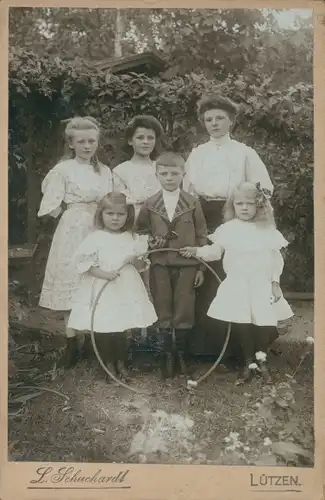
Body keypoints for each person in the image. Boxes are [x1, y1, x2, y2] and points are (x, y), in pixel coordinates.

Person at [182, 94, 274, 360]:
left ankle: (240, 349)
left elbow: (264, 188)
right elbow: (187, 190)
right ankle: (208, 349)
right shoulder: (198, 153)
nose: (214, 124)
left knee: (234, 276)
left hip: (235, 216)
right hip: (203, 214)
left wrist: (245, 209)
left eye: (220, 118)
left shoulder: (245, 153)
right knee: (206, 278)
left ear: (231, 121)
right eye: (209, 119)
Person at [180, 182, 293, 384]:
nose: (244, 208)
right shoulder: (228, 229)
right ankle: (247, 363)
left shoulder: (267, 230)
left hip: (262, 284)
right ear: (233, 206)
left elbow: (277, 259)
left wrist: (275, 282)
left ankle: (262, 361)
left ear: (259, 206)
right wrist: (196, 251)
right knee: (243, 324)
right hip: (238, 283)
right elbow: (215, 252)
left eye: (249, 204)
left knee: (263, 324)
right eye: (239, 203)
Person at [37, 116, 125, 366]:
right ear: (71, 144)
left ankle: (96, 339)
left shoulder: (105, 171)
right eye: (82, 142)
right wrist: (70, 214)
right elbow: (50, 206)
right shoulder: (63, 170)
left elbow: (117, 199)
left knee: (96, 278)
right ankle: (71, 341)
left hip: (99, 226)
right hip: (73, 228)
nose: (87, 146)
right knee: (72, 278)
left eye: (92, 141)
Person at [67, 192, 157, 381]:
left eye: (120, 214)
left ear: (128, 216)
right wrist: (104, 274)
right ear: (101, 215)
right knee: (104, 325)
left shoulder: (132, 238)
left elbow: (142, 266)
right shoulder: (95, 238)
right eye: (110, 214)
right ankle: (107, 363)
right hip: (104, 286)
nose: (115, 218)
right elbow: (85, 264)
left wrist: (136, 260)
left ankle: (121, 361)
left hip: (125, 286)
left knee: (121, 326)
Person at [136, 151, 208, 379]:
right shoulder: (149, 204)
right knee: (163, 307)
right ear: (156, 175)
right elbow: (140, 231)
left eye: (174, 173)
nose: (169, 178)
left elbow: (202, 236)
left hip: (187, 265)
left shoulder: (192, 202)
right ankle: (166, 356)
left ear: (183, 174)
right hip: (160, 265)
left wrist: (201, 267)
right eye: (164, 173)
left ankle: (182, 356)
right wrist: (150, 240)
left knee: (185, 310)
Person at [113, 115, 164, 218]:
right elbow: (119, 203)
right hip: (133, 220)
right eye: (140, 138)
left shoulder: (161, 168)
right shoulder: (121, 171)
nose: (146, 142)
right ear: (130, 141)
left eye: (150, 138)